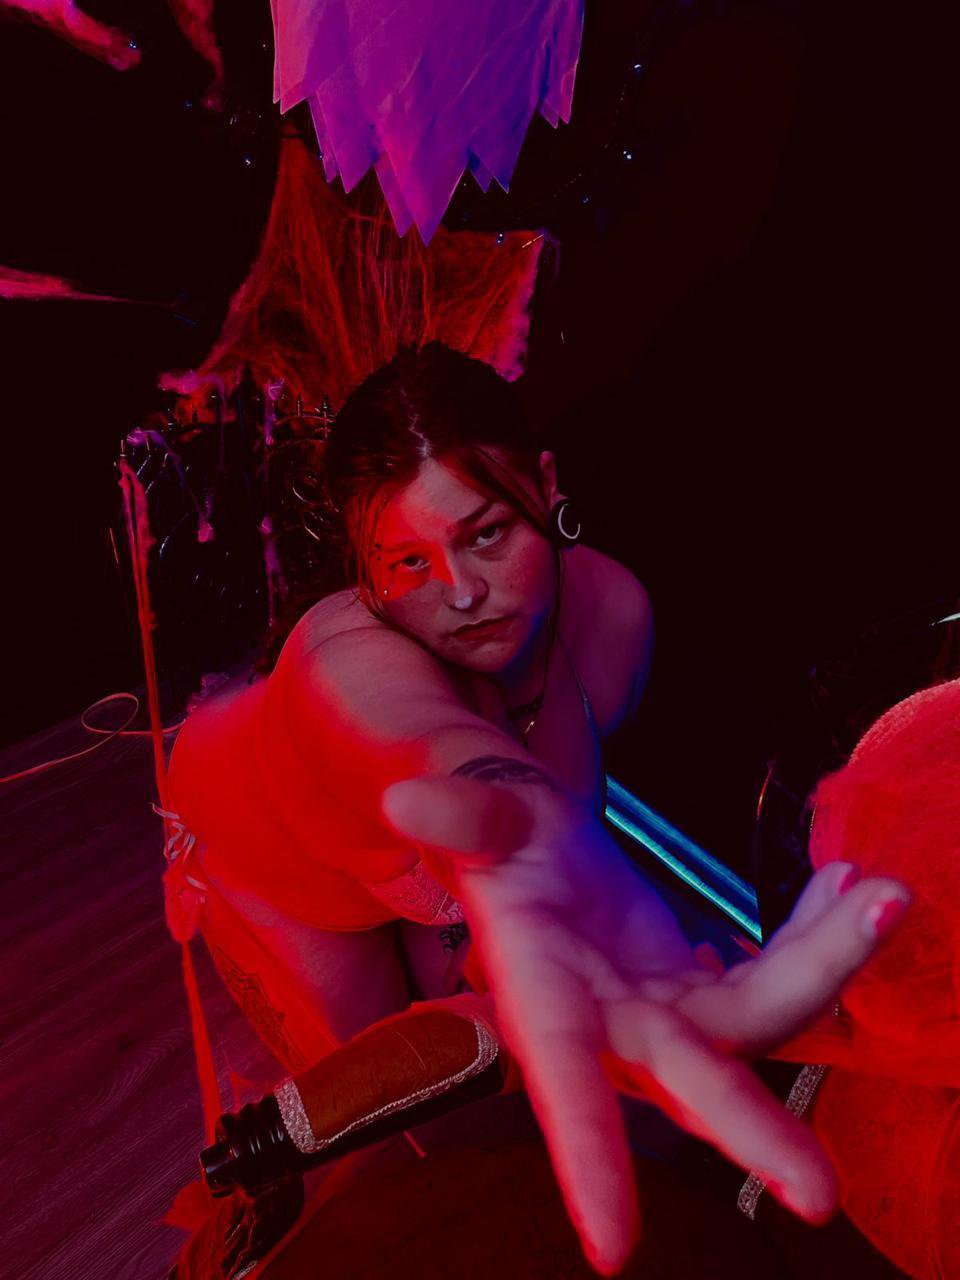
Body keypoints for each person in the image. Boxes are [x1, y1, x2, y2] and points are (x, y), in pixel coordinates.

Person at [167, 342, 909, 1275]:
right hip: (282, 883)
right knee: (402, 1149)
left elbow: (535, 827)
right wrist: (511, 825)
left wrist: (539, 875)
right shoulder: (341, 665)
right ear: (364, 574)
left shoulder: (613, 616)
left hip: (447, 877)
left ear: (545, 485)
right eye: (407, 561)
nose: (463, 592)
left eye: (487, 534)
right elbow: (432, 742)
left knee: (534, 1087)